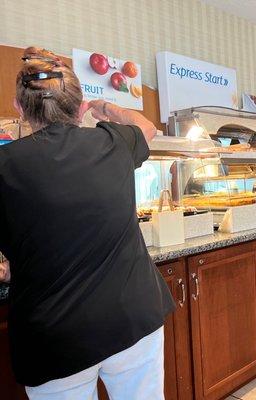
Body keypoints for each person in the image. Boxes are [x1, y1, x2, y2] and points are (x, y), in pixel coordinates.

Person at [0, 47, 175, 399]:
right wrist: (106, 108)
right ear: (80, 105)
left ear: (20, 109)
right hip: (133, 319)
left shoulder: (5, 164)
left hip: (56, 339)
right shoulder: (112, 141)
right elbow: (146, 127)